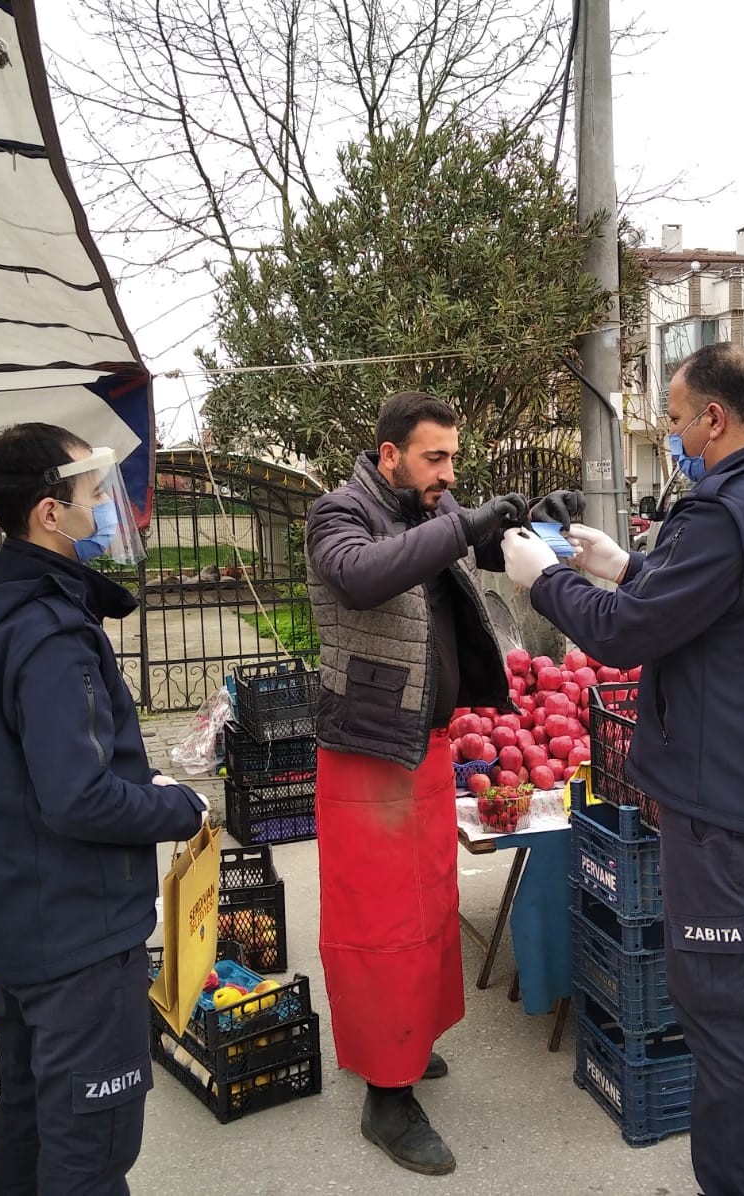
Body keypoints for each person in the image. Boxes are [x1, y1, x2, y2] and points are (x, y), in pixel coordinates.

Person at [500, 344, 744, 1196]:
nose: (677, 437)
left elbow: (623, 635)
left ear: (715, 418)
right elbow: (723, 601)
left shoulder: (722, 512)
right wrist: (623, 566)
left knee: (723, 1022)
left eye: (679, 421)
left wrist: (543, 583)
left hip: (726, 804)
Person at [0, 423, 208, 1196]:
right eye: (93, 496)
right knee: (89, 1149)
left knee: (29, 1117)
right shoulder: (48, 633)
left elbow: (26, 769)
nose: (109, 512)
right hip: (79, 937)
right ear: (51, 512)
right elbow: (78, 796)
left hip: (19, 917)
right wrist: (180, 807)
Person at [304, 391, 579, 1177]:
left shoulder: (436, 510)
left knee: (426, 908)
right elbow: (362, 577)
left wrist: (539, 527)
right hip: (365, 752)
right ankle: (384, 1098)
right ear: (389, 454)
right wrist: (461, 521)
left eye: (453, 459)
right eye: (436, 458)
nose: (448, 473)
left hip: (420, 746)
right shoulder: (338, 514)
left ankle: (406, 1045)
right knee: (378, 923)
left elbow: (477, 557)